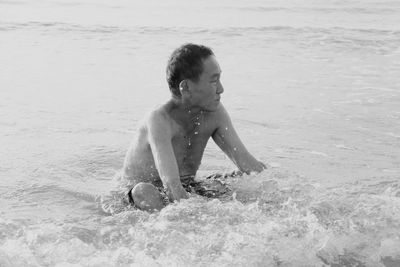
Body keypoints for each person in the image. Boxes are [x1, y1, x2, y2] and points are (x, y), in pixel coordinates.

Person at [121, 43, 266, 211]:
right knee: (144, 191)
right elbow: (171, 186)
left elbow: (249, 165)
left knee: (238, 177)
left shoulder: (214, 112)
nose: (221, 89)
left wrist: (277, 190)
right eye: (214, 81)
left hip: (188, 186)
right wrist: (203, 215)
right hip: (142, 194)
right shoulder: (159, 120)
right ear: (186, 87)